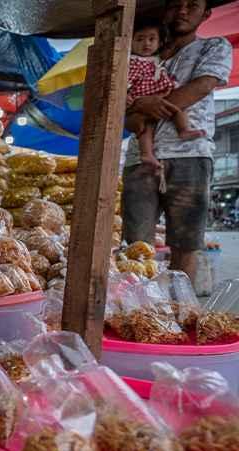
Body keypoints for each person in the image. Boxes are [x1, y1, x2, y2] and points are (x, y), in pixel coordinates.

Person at [122, 0, 232, 282]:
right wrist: (135, 111)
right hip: (140, 157)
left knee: (185, 243)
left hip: (190, 154)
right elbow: (122, 112)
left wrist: (146, 108)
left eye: (192, 5)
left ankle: (178, 310)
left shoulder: (213, 46)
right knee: (135, 245)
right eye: (177, 4)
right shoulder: (145, 53)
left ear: (206, 14)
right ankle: (141, 312)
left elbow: (201, 86)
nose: (183, 10)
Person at [128, 17, 205, 169]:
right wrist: (127, 95)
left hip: (160, 92)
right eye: (140, 39)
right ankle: (146, 153)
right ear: (130, 42)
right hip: (142, 94)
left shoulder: (156, 59)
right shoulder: (132, 61)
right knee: (145, 126)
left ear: (160, 42)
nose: (146, 43)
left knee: (178, 109)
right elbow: (126, 80)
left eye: (152, 39)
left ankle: (183, 130)